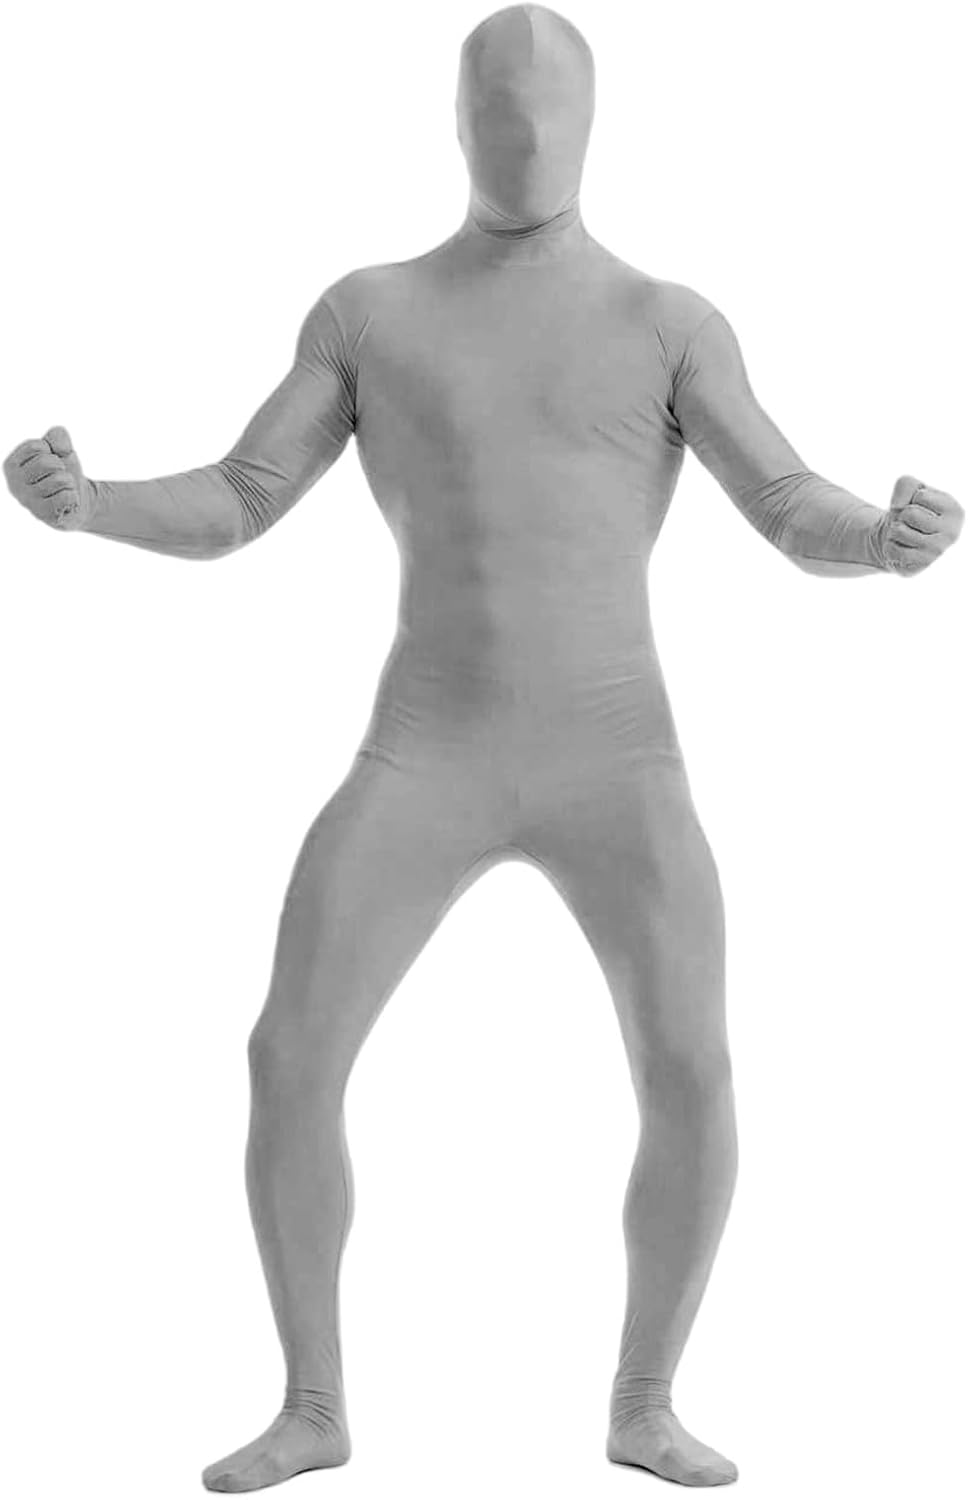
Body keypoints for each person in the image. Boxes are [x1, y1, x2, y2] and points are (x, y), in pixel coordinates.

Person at [4, 3, 962, 1491]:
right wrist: (93, 504)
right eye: (498, 111)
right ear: (455, 123)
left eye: (550, 111)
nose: (525, 136)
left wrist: (883, 542)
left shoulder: (667, 321)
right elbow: (245, 496)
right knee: (289, 1052)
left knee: (693, 1066)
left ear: (597, 124)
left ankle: (645, 1401)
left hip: (617, 758)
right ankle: (314, 1404)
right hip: (426, 750)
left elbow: (789, 504)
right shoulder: (371, 312)